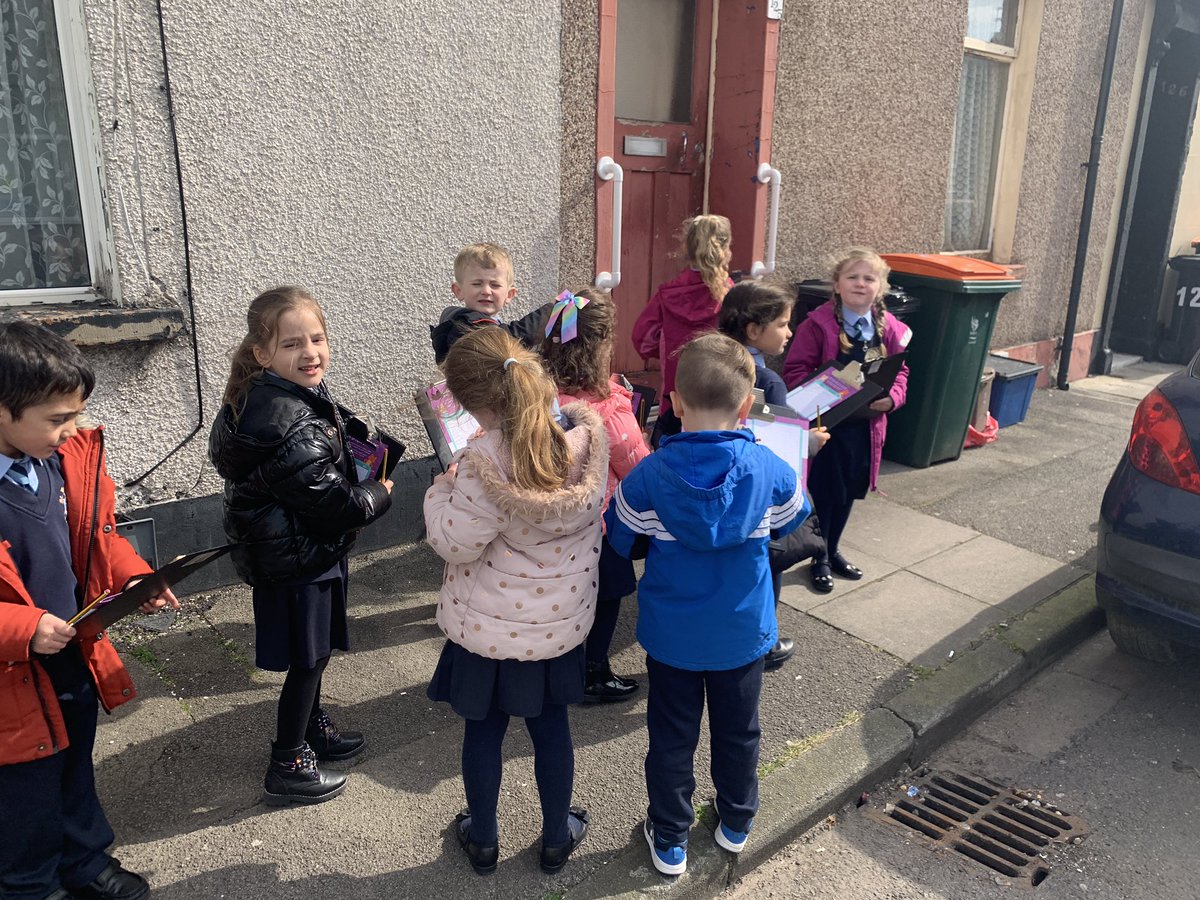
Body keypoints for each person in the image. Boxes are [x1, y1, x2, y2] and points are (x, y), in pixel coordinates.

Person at [605, 332, 810, 876]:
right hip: (742, 634)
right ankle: (737, 820)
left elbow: (621, 536)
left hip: (672, 637)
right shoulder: (767, 469)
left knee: (672, 736)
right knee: (739, 729)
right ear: (747, 407)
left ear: (672, 401)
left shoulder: (648, 476)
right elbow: (796, 517)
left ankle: (669, 836)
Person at [0, 322, 179, 900]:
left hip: (69, 651)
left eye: (75, 415)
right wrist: (24, 628)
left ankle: (82, 859)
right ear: (3, 412)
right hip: (10, 677)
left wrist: (133, 578)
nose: (71, 430)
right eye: (56, 419)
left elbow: (97, 537)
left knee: (74, 764)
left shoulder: (62, 460)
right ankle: (29, 884)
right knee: (22, 790)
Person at [425, 327, 608, 876]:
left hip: (490, 634)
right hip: (558, 630)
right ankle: (557, 835)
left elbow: (453, 541)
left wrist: (441, 488)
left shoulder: (481, 463)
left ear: (464, 401)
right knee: (553, 731)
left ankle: (482, 838)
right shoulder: (583, 443)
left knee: (484, 733)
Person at [209, 285, 393, 806]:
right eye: (292, 344)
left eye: (317, 338)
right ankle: (288, 762)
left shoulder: (277, 396)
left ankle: (312, 730)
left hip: (296, 551)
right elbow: (337, 506)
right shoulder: (287, 422)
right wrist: (377, 491)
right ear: (262, 355)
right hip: (297, 559)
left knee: (312, 654)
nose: (309, 352)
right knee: (307, 661)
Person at [540, 287, 648, 702]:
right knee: (605, 598)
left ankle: (554, 665)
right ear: (602, 345)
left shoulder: (537, 396)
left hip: (550, 522)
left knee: (562, 598)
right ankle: (594, 670)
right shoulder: (608, 409)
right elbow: (635, 468)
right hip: (599, 525)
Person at [782, 249, 911, 593]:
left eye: (869, 278)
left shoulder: (890, 328)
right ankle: (819, 558)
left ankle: (833, 549)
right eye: (852, 277)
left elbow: (901, 372)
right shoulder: (816, 325)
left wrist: (893, 398)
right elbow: (794, 371)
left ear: (880, 287)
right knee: (825, 494)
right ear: (837, 284)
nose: (860, 283)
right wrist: (826, 385)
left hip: (866, 430)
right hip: (829, 428)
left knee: (850, 494)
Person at [717, 279, 830, 669]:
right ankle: (762, 643)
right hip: (757, 499)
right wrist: (808, 443)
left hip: (715, 488)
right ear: (753, 330)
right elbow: (778, 454)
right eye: (782, 323)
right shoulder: (767, 381)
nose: (790, 331)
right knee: (765, 568)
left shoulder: (706, 359)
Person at [631, 214, 733, 446]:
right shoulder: (729, 294)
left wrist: (668, 348)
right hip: (720, 396)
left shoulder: (668, 293)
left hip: (677, 396)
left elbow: (642, 338)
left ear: (687, 249)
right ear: (725, 250)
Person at [430, 242, 553, 365]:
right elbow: (513, 339)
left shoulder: (485, 322)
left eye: (495, 285)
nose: (486, 291)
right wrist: (553, 310)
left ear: (509, 295)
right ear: (458, 291)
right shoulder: (466, 325)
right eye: (477, 284)